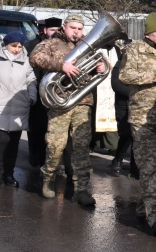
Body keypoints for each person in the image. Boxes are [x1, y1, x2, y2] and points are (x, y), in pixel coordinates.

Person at [30, 14, 106, 205]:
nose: (77, 32)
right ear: (64, 27)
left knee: (81, 147)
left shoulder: (88, 45)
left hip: (82, 101)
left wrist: (101, 68)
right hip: (60, 101)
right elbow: (34, 57)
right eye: (73, 28)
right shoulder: (52, 43)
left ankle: (82, 189)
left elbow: (101, 65)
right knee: (56, 145)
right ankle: (48, 179)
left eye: (80, 29)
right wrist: (60, 65)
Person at [118, 13, 156, 236]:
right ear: (149, 34)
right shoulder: (135, 49)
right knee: (149, 167)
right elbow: (125, 76)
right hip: (142, 118)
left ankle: (145, 206)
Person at [0, 32, 37, 187]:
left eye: (20, 46)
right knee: (2, 140)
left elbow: (31, 81)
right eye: (13, 46)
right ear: (6, 45)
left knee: (14, 143)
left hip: (19, 105)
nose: (16, 49)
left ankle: (9, 175)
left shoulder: (26, 61)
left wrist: (31, 97)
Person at [25, 18, 61, 168]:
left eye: (58, 30)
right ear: (45, 30)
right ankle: (35, 156)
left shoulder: (62, 46)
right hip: (39, 90)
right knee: (37, 127)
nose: (55, 33)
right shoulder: (33, 45)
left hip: (56, 91)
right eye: (52, 30)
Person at [110, 42, 136, 178]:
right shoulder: (120, 64)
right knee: (126, 134)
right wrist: (134, 93)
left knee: (137, 136)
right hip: (123, 105)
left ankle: (134, 166)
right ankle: (118, 160)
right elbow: (115, 84)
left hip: (137, 105)